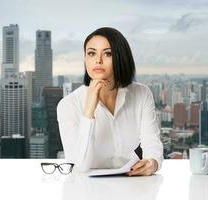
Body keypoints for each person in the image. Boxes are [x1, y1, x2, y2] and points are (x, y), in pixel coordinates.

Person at [57, 27, 163, 176]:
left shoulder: (141, 94)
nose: (98, 60)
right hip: (88, 189)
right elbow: (78, 166)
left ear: (121, 57)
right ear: (85, 58)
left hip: (132, 183)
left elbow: (152, 143)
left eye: (107, 53)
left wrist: (152, 163)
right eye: (91, 53)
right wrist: (89, 112)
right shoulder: (68, 105)